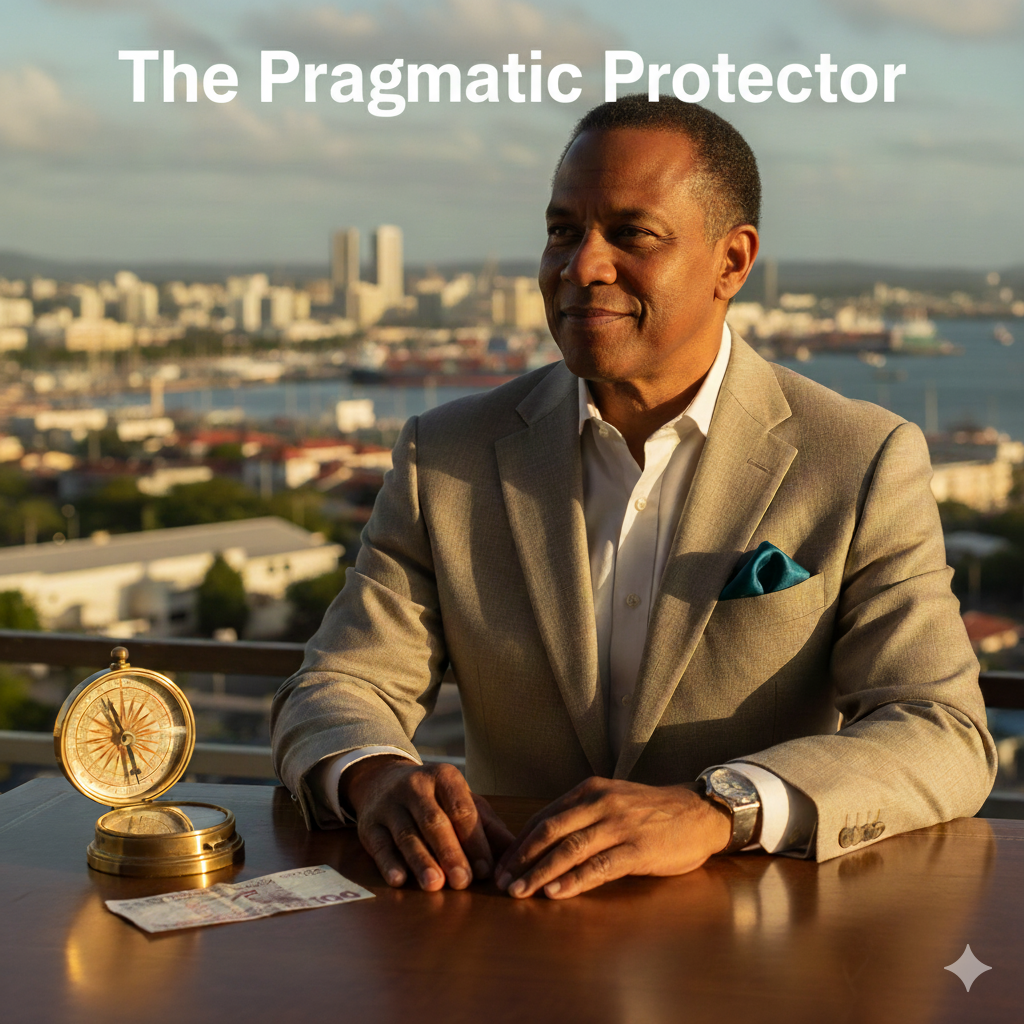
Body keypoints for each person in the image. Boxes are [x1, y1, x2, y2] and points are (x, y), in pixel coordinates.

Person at [271, 96, 996, 901]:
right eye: (561, 231)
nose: (581, 266)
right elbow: (338, 685)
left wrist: (722, 809)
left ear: (733, 261)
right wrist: (374, 776)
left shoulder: (858, 459)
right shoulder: (447, 455)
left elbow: (942, 731)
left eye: (630, 233)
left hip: (748, 946)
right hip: (503, 933)